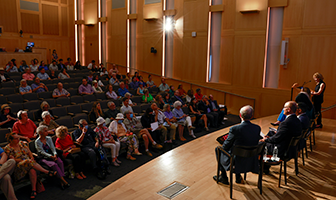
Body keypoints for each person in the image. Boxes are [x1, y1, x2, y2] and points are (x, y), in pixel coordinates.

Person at [213, 105, 261, 185]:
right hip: (251, 160)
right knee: (239, 147)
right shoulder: (257, 128)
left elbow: (225, 146)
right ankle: (238, 177)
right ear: (252, 116)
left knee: (218, 149)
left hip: (237, 161)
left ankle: (224, 177)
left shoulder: (235, 129)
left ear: (240, 115)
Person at [4, 132, 56, 199]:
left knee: (32, 170)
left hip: (28, 163)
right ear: (10, 140)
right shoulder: (7, 148)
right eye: (16, 139)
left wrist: (31, 157)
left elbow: (29, 152)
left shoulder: (21, 143)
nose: (18, 140)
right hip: (18, 168)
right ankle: (47, 172)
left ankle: (33, 190)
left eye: (18, 138)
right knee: (28, 161)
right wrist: (26, 160)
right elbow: (13, 160)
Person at [260, 101, 302, 174]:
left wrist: (265, 139)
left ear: (289, 110)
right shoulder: (297, 121)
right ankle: (265, 167)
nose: (283, 109)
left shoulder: (286, 123)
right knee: (269, 135)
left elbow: (276, 139)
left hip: (281, 150)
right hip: (291, 149)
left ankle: (261, 168)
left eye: (284, 108)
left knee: (260, 143)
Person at [35, 125, 69, 190]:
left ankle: (62, 181)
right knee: (54, 164)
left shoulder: (49, 138)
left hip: (52, 155)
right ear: (40, 133)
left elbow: (53, 148)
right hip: (43, 158)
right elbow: (41, 152)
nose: (47, 132)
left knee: (60, 162)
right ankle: (63, 180)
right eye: (45, 131)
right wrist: (51, 156)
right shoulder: (37, 142)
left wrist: (55, 154)